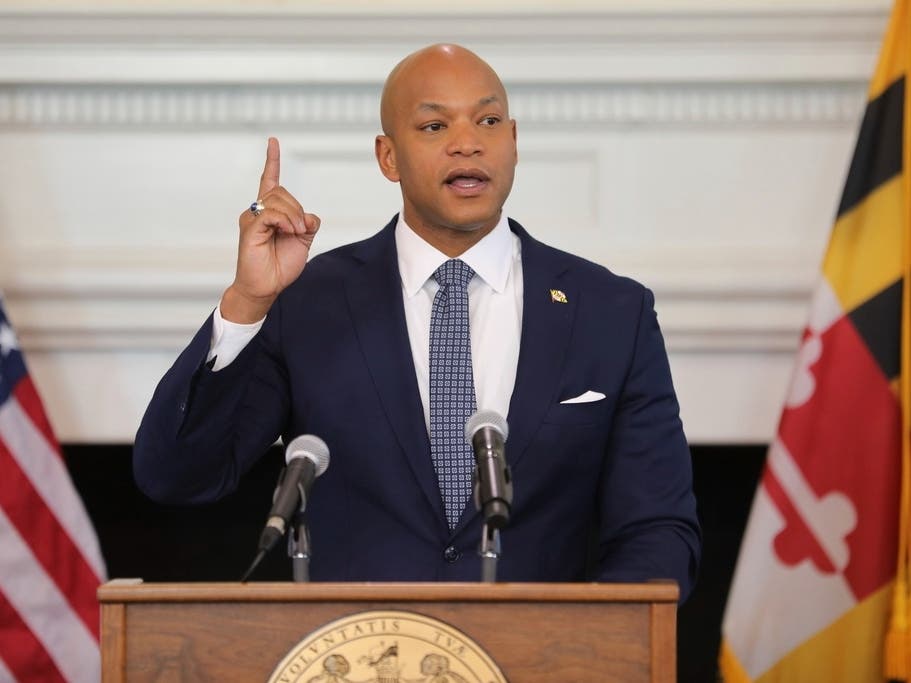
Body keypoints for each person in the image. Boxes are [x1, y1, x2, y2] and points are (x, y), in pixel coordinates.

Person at [133, 44, 700, 599]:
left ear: (515, 141)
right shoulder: (309, 303)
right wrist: (246, 302)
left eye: (489, 120)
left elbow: (657, 530)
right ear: (388, 157)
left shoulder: (609, 311)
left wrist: (590, 647)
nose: (467, 143)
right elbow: (178, 476)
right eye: (434, 127)